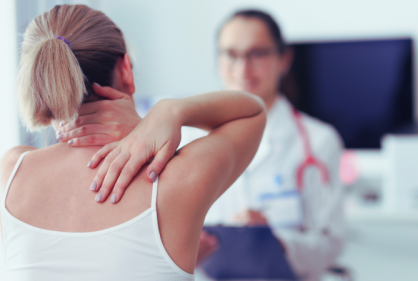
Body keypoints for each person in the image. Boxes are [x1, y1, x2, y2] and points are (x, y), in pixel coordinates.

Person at [57, 9, 345, 281]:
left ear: (284, 59)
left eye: (257, 54)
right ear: (218, 59)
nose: (243, 67)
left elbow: (331, 244)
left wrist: (275, 241)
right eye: (231, 54)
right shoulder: (184, 136)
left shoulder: (318, 141)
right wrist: (183, 251)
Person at [0, 5, 266, 281]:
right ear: (126, 69)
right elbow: (253, 112)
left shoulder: (10, 174)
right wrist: (170, 111)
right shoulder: (174, 180)